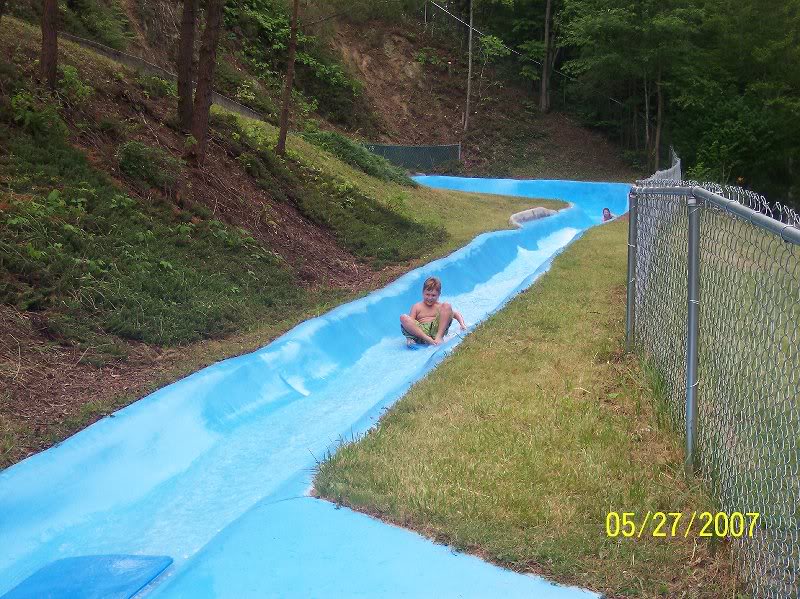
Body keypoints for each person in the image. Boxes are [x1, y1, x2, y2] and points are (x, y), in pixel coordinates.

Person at [400, 276, 466, 346]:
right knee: (403, 317)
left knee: (447, 305)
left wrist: (462, 324)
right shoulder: (416, 307)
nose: (430, 298)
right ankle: (428, 339)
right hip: (421, 333)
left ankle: (439, 337)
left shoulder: (440, 307)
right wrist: (409, 338)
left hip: (437, 331)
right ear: (423, 293)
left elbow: (456, 314)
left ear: (439, 295)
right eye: (427, 294)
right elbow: (410, 324)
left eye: (433, 295)